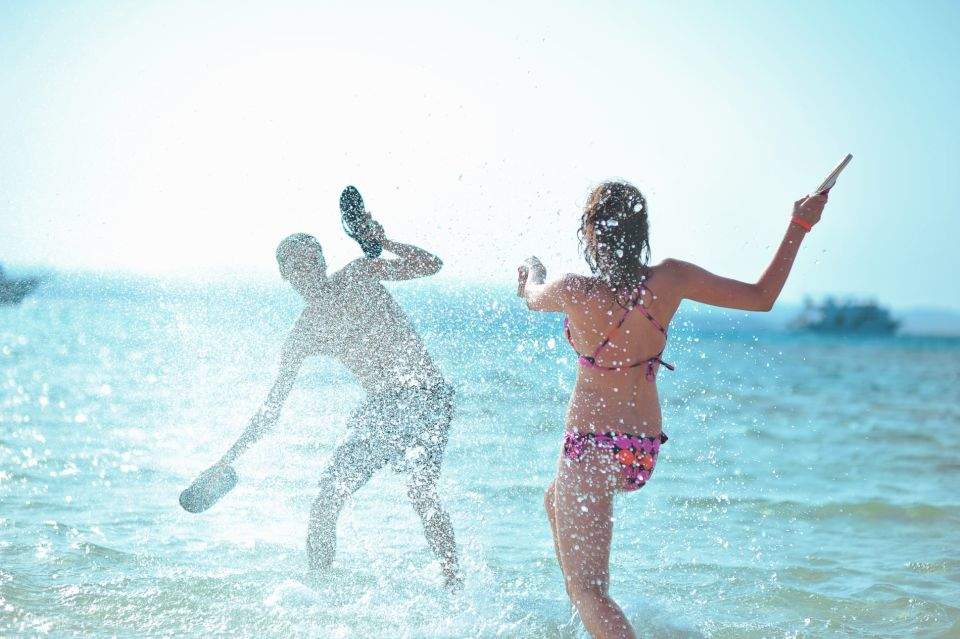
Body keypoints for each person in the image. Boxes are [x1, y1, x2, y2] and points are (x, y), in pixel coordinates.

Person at [517, 181, 828, 638]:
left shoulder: (573, 290)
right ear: (641, 231)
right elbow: (762, 297)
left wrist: (531, 269)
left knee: (590, 591)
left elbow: (531, 295)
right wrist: (799, 226)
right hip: (640, 451)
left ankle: (597, 621)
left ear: (590, 233)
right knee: (553, 501)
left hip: (590, 451)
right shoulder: (670, 280)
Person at [215, 220, 461, 589]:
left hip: (425, 395)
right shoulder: (305, 332)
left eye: (314, 261)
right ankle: (319, 594)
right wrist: (226, 459)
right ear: (285, 274)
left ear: (324, 262)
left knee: (421, 491)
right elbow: (271, 410)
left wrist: (382, 241)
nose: (308, 271)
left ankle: (454, 584)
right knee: (327, 501)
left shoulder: (358, 275)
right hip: (386, 406)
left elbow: (431, 264)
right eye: (298, 265)